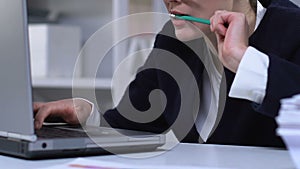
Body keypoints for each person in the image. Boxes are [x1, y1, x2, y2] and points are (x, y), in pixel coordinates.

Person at [33, 0, 300, 147]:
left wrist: (244, 61)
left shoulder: (292, 27)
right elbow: (134, 122)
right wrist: (89, 116)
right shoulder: (173, 40)